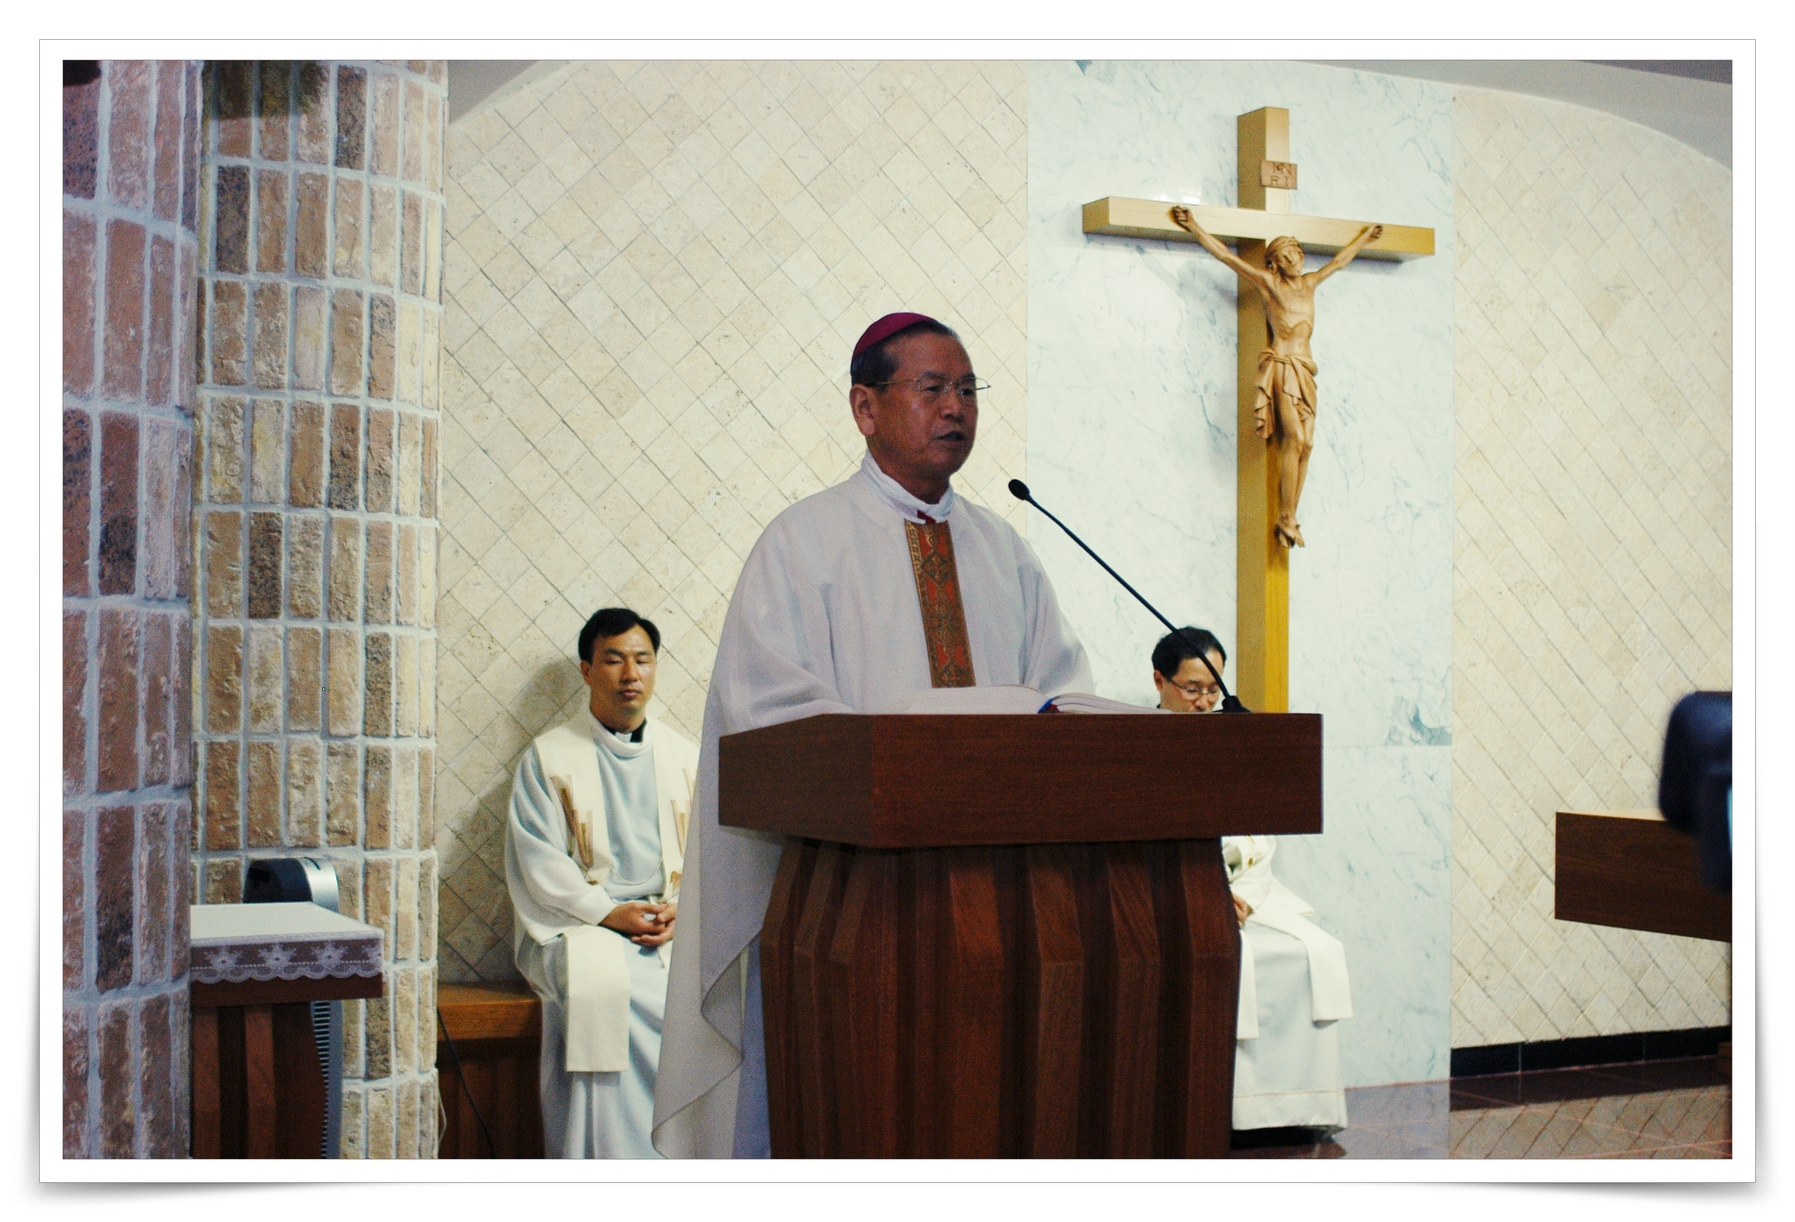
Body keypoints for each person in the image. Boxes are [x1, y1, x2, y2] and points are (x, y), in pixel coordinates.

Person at [652, 312, 1093, 1158]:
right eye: (931, 388)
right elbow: (766, 716)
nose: (955, 407)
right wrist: (901, 762)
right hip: (847, 907)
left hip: (1004, 904)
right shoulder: (802, 542)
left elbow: (1061, 697)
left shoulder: (1005, 550)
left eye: (966, 389)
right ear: (864, 407)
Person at [504, 607, 701, 1158]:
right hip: (582, 925)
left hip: (667, 922)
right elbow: (538, 860)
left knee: (710, 988)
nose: (630, 674)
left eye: (642, 659)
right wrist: (609, 913)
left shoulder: (686, 757)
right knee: (612, 989)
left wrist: (682, 909)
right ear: (587, 671)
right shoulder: (549, 757)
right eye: (613, 660)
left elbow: (710, 854)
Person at [1152, 627, 1352, 1135]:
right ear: (1160, 681)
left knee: (1314, 952)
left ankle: (1298, 1112)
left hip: (1245, 896)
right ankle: (1226, 1114)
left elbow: (1259, 840)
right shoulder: (1138, 747)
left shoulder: (1232, 743)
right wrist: (1208, 897)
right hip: (1179, 899)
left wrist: (1239, 895)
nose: (1204, 702)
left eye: (1212, 690)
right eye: (1192, 689)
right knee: (1232, 958)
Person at [1168, 206, 1383, 549]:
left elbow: (1340, 262)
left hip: (1306, 369)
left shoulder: (1310, 283)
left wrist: (1364, 239)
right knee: (1294, 438)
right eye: (1284, 256)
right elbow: (1226, 256)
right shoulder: (1270, 285)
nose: (1292, 259)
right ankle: (1286, 516)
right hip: (1283, 367)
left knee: (1307, 444)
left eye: (1294, 252)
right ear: (1275, 264)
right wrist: (1194, 225)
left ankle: (1289, 515)